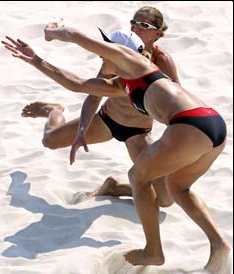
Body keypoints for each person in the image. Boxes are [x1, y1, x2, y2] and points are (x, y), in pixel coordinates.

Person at [2, 23, 231, 274]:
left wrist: (52, 33)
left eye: (106, 50)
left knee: (138, 176)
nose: (103, 56)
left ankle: (153, 251)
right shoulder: (124, 84)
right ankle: (218, 244)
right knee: (178, 188)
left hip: (188, 125)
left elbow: (77, 35)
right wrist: (36, 60)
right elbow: (77, 84)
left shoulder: (134, 62)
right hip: (213, 125)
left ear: (119, 50)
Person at [21, 7, 179, 206]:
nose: (136, 28)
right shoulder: (118, 51)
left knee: (165, 200)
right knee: (50, 141)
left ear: (157, 33)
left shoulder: (162, 60)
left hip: (137, 132)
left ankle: (113, 187)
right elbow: (92, 94)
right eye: (134, 23)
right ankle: (54, 110)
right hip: (107, 120)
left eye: (144, 25)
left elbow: (176, 102)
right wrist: (81, 131)